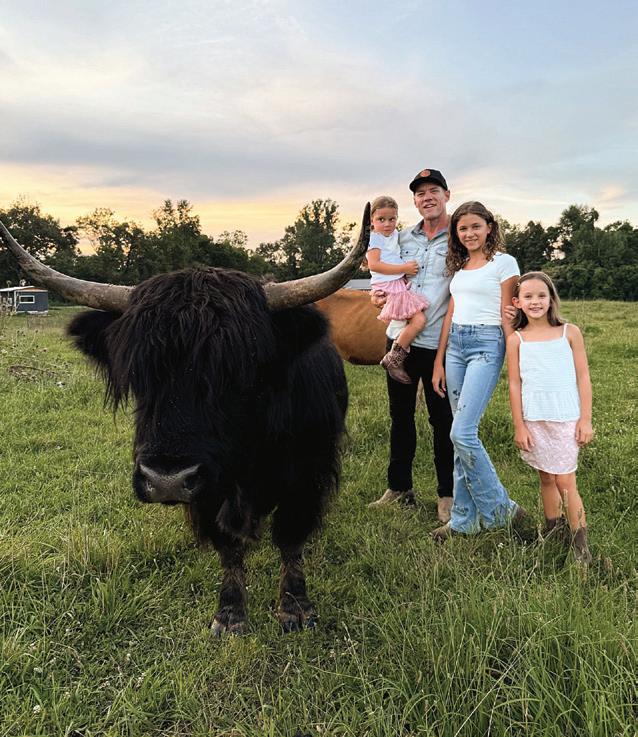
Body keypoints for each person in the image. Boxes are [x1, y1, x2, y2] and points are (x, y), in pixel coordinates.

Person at [430, 201, 525, 540]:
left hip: (487, 343)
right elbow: (450, 314)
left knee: (462, 432)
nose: (469, 233)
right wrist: (439, 360)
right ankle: (463, 521)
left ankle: (503, 511)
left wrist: (513, 356)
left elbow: (508, 312)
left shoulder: (504, 263)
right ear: (456, 233)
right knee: (459, 434)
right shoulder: (460, 266)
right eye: (462, 228)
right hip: (455, 346)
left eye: (475, 226)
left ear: (489, 228)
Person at [368, 169, 455, 523]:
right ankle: (399, 487)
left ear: (447, 195)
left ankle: (447, 494)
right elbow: (381, 272)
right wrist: (377, 295)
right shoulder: (401, 237)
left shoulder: (459, 237)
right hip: (399, 340)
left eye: (434, 190)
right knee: (400, 416)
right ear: (415, 202)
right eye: (420, 193)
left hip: (436, 343)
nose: (427, 197)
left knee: (442, 420)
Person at [507, 272, 593, 564]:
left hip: (566, 417)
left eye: (541, 296)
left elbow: (583, 377)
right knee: (545, 476)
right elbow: (514, 384)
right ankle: (553, 530)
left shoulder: (569, 332)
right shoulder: (517, 339)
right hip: (534, 418)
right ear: (518, 302)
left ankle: (580, 546)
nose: (535, 302)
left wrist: (585, 420)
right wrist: (519, 425)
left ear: (551, 299)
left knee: (565, 480)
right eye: (528, 296)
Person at [367, 195, 430, 384]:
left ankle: (396, 355)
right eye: (381, 219)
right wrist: (404, 269)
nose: (387, 224)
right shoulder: (375, 238)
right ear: (372, 220)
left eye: (392, 219)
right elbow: (374, 265)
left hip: (397, 283)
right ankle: (393, 358)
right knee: (419, 320)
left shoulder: (395, 235)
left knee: (407, 321)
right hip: (388, 285)